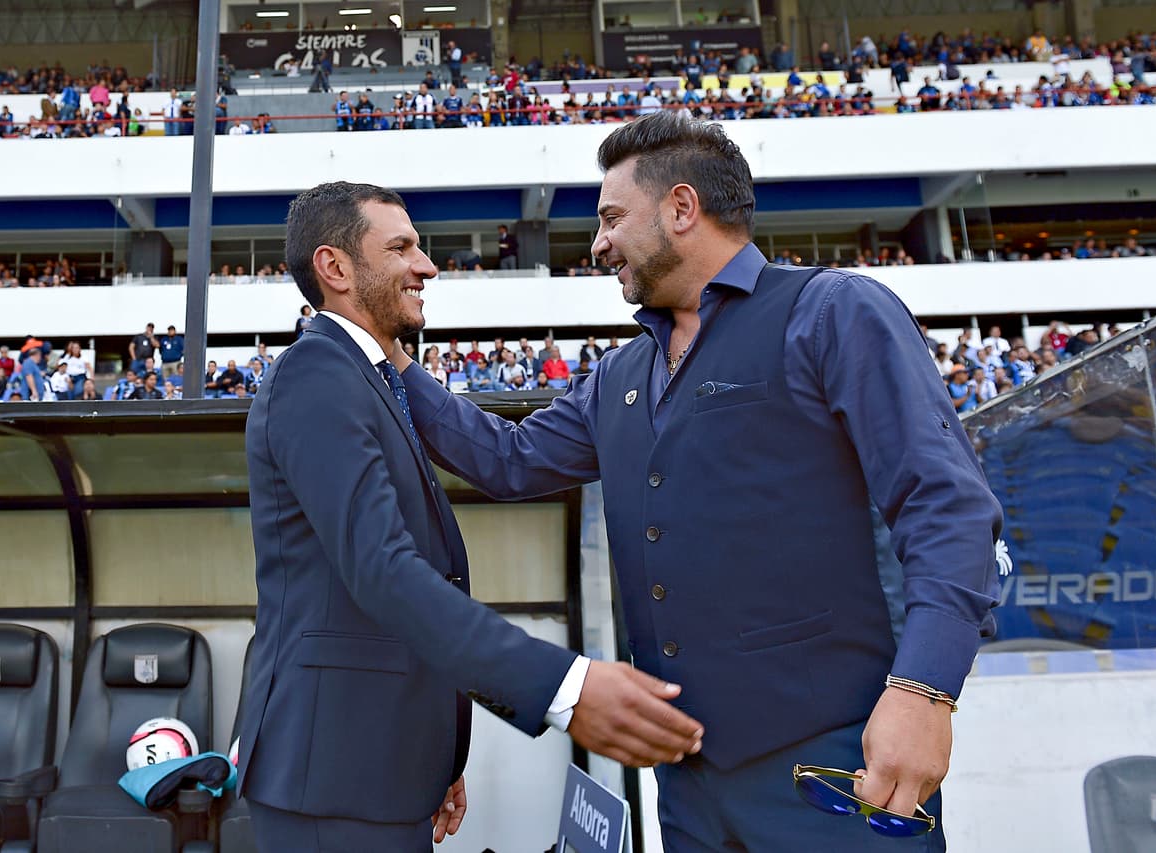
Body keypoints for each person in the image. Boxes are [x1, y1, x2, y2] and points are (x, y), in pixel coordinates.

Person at [393, 113, 1001, 850]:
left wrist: (925, 690)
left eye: (612, 218)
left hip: (835, 765)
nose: (598, 244)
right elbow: (508, 459)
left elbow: (946, 505)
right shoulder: (619, 374)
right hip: (685, 784)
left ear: (682, 208)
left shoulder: (833, 312)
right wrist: (391, 361)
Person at [238, 182, 702, 851]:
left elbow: (496, 464)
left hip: (377, 769)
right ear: (335, 267)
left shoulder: (369, 378)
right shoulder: (317, 373)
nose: (426, 266)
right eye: (401, 247)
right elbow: (384, 571)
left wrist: (433, 756)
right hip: (334, 777)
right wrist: (565, 688)